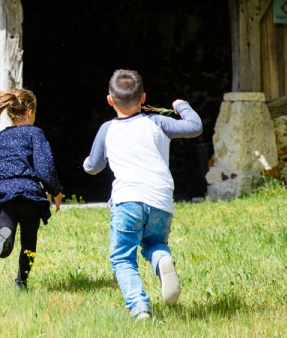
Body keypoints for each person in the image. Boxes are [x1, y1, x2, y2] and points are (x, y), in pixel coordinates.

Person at [83, 69, 202, 320]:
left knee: (122, 258)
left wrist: (86, 164)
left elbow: (93, 167)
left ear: (110, 100)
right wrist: (181, 105)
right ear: (143, 97)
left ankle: (139, 308)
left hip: (127, 201)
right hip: (161, 202)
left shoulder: (107, 130)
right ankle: (161, 260)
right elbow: (195, 127)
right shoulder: (157, 122)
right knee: (154, 243)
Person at [0, 88, 64, 291]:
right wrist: (56, 190)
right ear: (29, 112)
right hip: (30, 196)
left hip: (4, 194)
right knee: (28, 242)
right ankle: (21, 282)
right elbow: (44, 168)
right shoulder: (35, 133)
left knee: (5, 237)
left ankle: (4, 238)